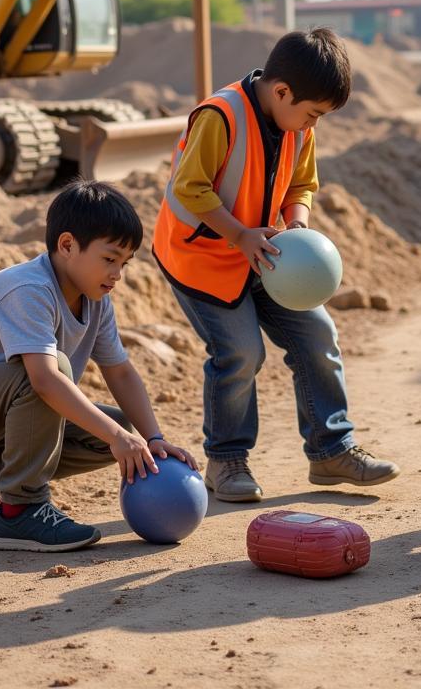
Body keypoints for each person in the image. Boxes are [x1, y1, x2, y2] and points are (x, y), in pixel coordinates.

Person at [152, 27, 399, 502]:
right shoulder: (219, 116)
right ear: (282, 91)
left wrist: (298, 227)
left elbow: (301, 185)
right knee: (241, 353)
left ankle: (331, 450)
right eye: (311, 114)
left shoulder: (299, 125)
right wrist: (239, 235)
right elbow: (190, 188)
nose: (312, 125)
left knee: (318, 335)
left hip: (266, 254)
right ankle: (226, 461)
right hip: (201, 256)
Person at [0, 180, 197, 552]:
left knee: (116, 430)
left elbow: (119, 371)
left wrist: (152, 440)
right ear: (68, 245)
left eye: (124, 263)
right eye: (109, 259)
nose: (118, 273)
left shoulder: (96, 301)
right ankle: (20, 511)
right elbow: (43, 381)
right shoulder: (30, 290)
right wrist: (121, 440)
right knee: (48, 372)